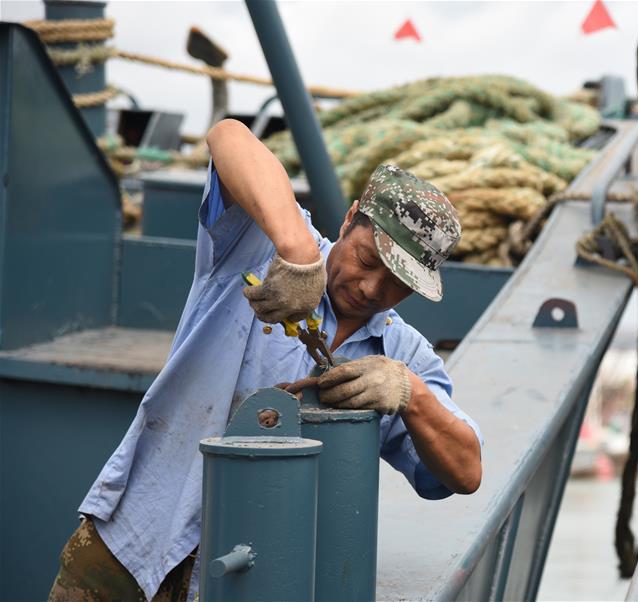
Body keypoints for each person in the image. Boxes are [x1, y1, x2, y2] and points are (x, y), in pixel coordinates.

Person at [49, 118, 484, 601]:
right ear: (350, 218)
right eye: (366, 259)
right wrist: (296, 253)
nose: (370, 289)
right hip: (132, 546)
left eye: (397, 285)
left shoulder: (403, 357)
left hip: (258, 583)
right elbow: (228, 136)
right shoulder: (257, 246)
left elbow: (466, 473)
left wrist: (411, 396)